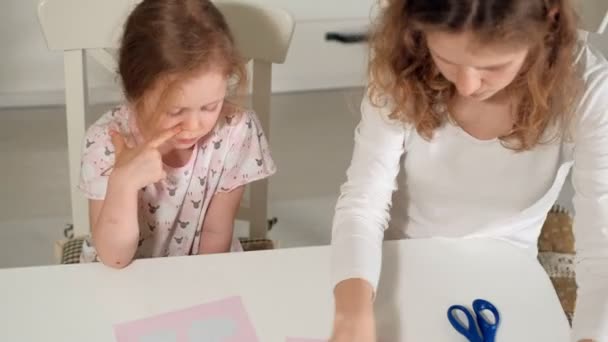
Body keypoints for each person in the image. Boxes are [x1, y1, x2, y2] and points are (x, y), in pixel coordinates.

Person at [330, 1, 608, 341]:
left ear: (545, 22)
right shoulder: (404, 60)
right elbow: (362, 203)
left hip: (508, 269)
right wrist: (351, 318)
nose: (466, 85)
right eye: (446, 59)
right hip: (394, 262)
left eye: (492, 66)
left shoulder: (590, 91)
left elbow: (602, 254)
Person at [78, 0, 275, 267]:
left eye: (210, 106)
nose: (193, 126)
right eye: (175, 111)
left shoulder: (235, 131)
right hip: (122, 274)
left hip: (202, 269)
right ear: (136, 92)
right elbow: (113, 258)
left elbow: (215, 233)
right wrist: (122, 183)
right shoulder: (106, 144)